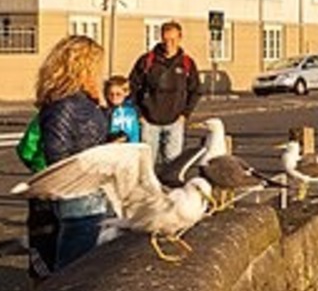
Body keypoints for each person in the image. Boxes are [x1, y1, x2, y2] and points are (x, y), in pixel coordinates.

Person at [34, 35, 113, 271]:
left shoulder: (80, 100)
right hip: (80, 193)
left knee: (84, 261)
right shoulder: (64, 105)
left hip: (91, 189)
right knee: (74, 267)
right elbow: (56, 154)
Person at [128, 20, 200, 166]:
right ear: (160, 38)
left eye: (173, 40)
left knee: (172, 164)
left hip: (175, 121)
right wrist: (139, 115)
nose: (169, 44)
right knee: (147, 164)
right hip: (149, 121)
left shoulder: (187, 63)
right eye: (165, 39)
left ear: (180, 38)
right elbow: (131, 88)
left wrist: (185, 115)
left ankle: (168, 188)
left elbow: (196, 90)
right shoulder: (147, 61)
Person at [105, 75, 141, 143]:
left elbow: (135, 131)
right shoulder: (106, 112)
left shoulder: (132, 110)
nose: (114, 97)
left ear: (126, 93)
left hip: (130, 147)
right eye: (111, 94)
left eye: (118, 94)